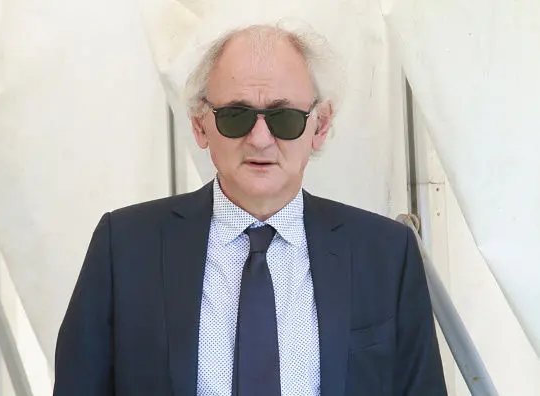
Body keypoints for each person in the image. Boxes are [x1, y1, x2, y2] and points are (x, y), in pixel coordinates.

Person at [53, 24, 447, 396]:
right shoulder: (124, 247)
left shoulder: (384, 253)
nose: (260, 139)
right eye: (236, 116)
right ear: (200, 125)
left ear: (320, 125)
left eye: (285, 118)